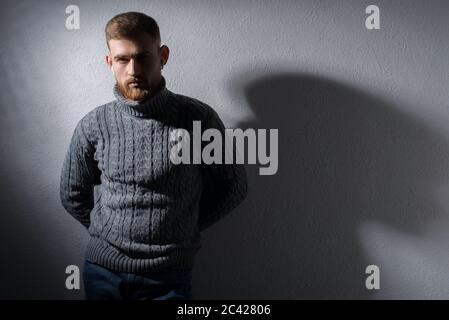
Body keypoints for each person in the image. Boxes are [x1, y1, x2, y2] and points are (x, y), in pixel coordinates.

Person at [59, 11, 248, 300]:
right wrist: (105, 232)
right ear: (110, 63)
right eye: (122, 59)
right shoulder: (93, 124)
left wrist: (184, 228)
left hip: (169, 276)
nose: (133, 69)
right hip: (103, 273)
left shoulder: (197, 118)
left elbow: (233, 186)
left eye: (143, 57)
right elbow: (72, 193)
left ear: (163, 56)